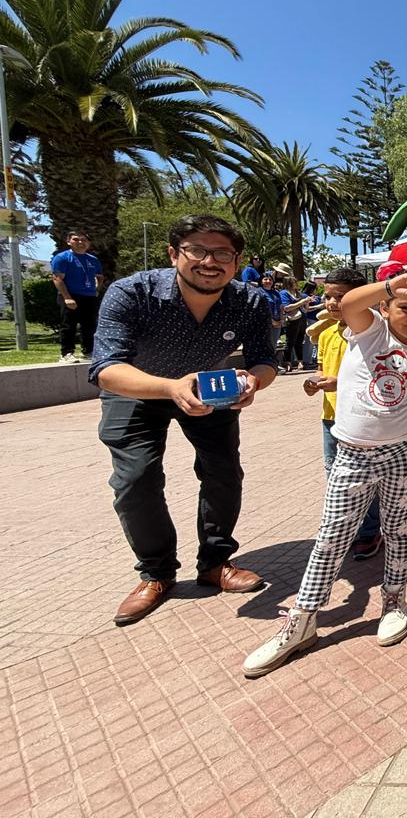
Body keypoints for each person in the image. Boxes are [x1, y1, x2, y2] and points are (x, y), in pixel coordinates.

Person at [243, 269, 407, 677]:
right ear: (385, 308)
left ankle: (395, 599)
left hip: (405, 451)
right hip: (353, 452)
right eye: (406, 307)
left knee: (400, 530)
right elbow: (350, 304)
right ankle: (302, 619)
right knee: (332, 536)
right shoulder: (371, 332)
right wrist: (391, 285)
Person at [90, 215, 277, 625]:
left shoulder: (250, 300)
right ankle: (156, 573)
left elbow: (265, 361)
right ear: (174, 254)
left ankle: (215, 562)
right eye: (197, 250)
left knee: (224, 472)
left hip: (211, 391)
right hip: (136, 390)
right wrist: (170, 387)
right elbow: (105, 368)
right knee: (135, 478)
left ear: (236, 259)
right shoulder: (131, 293)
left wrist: (252, 382)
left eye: (222, 253)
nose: (210, 261)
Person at [302, 267, 391, 556]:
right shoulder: (326, 334)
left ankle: (368, 531)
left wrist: (338, 382)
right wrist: (315, 382)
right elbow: (320, 369)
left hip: (362, 419)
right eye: (328, 296)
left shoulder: (376, 332)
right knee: (335, 473)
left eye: (341, 297)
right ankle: (347, 528)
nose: (332, 303)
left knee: (368, 477)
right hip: (331, 417)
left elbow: (381, 375)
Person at [50, 229, 104, 363]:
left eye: (84, 240)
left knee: (89, 325)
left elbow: (99, 276)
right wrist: (67, 297)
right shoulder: (62, 258)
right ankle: (66, 353)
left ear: (88, 243)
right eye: (76, 239)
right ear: (69, 242)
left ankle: (89, 351)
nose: (80, 242)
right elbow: (57, 279)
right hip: (70, 295)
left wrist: (96, 289)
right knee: (69, 325)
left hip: (89, 296)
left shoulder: (93, 260)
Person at [278, 278, 311, 373]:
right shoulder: (284, 293)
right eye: (294, 282)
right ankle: (287, 362)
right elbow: (286, 308)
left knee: (300, 341)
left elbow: (306, 307)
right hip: (292, 320)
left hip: (302, 319)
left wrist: (307, 301)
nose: (296, 284)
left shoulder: (299, 294)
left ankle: (300, 361)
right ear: (288, 283)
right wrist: (301, 302)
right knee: (290, 341)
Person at [259, 272, 284, 360]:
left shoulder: (276, 293)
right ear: (261, 281)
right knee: (265, 344)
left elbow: (281, 307)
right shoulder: (259, 292)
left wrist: (281, 320)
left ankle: (271, 363)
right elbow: (262, 309)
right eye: (265, 279)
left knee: (273, 344)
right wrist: (272, 321)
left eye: (270, 279)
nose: (268, 281)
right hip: (266, 323)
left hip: (277, 322)